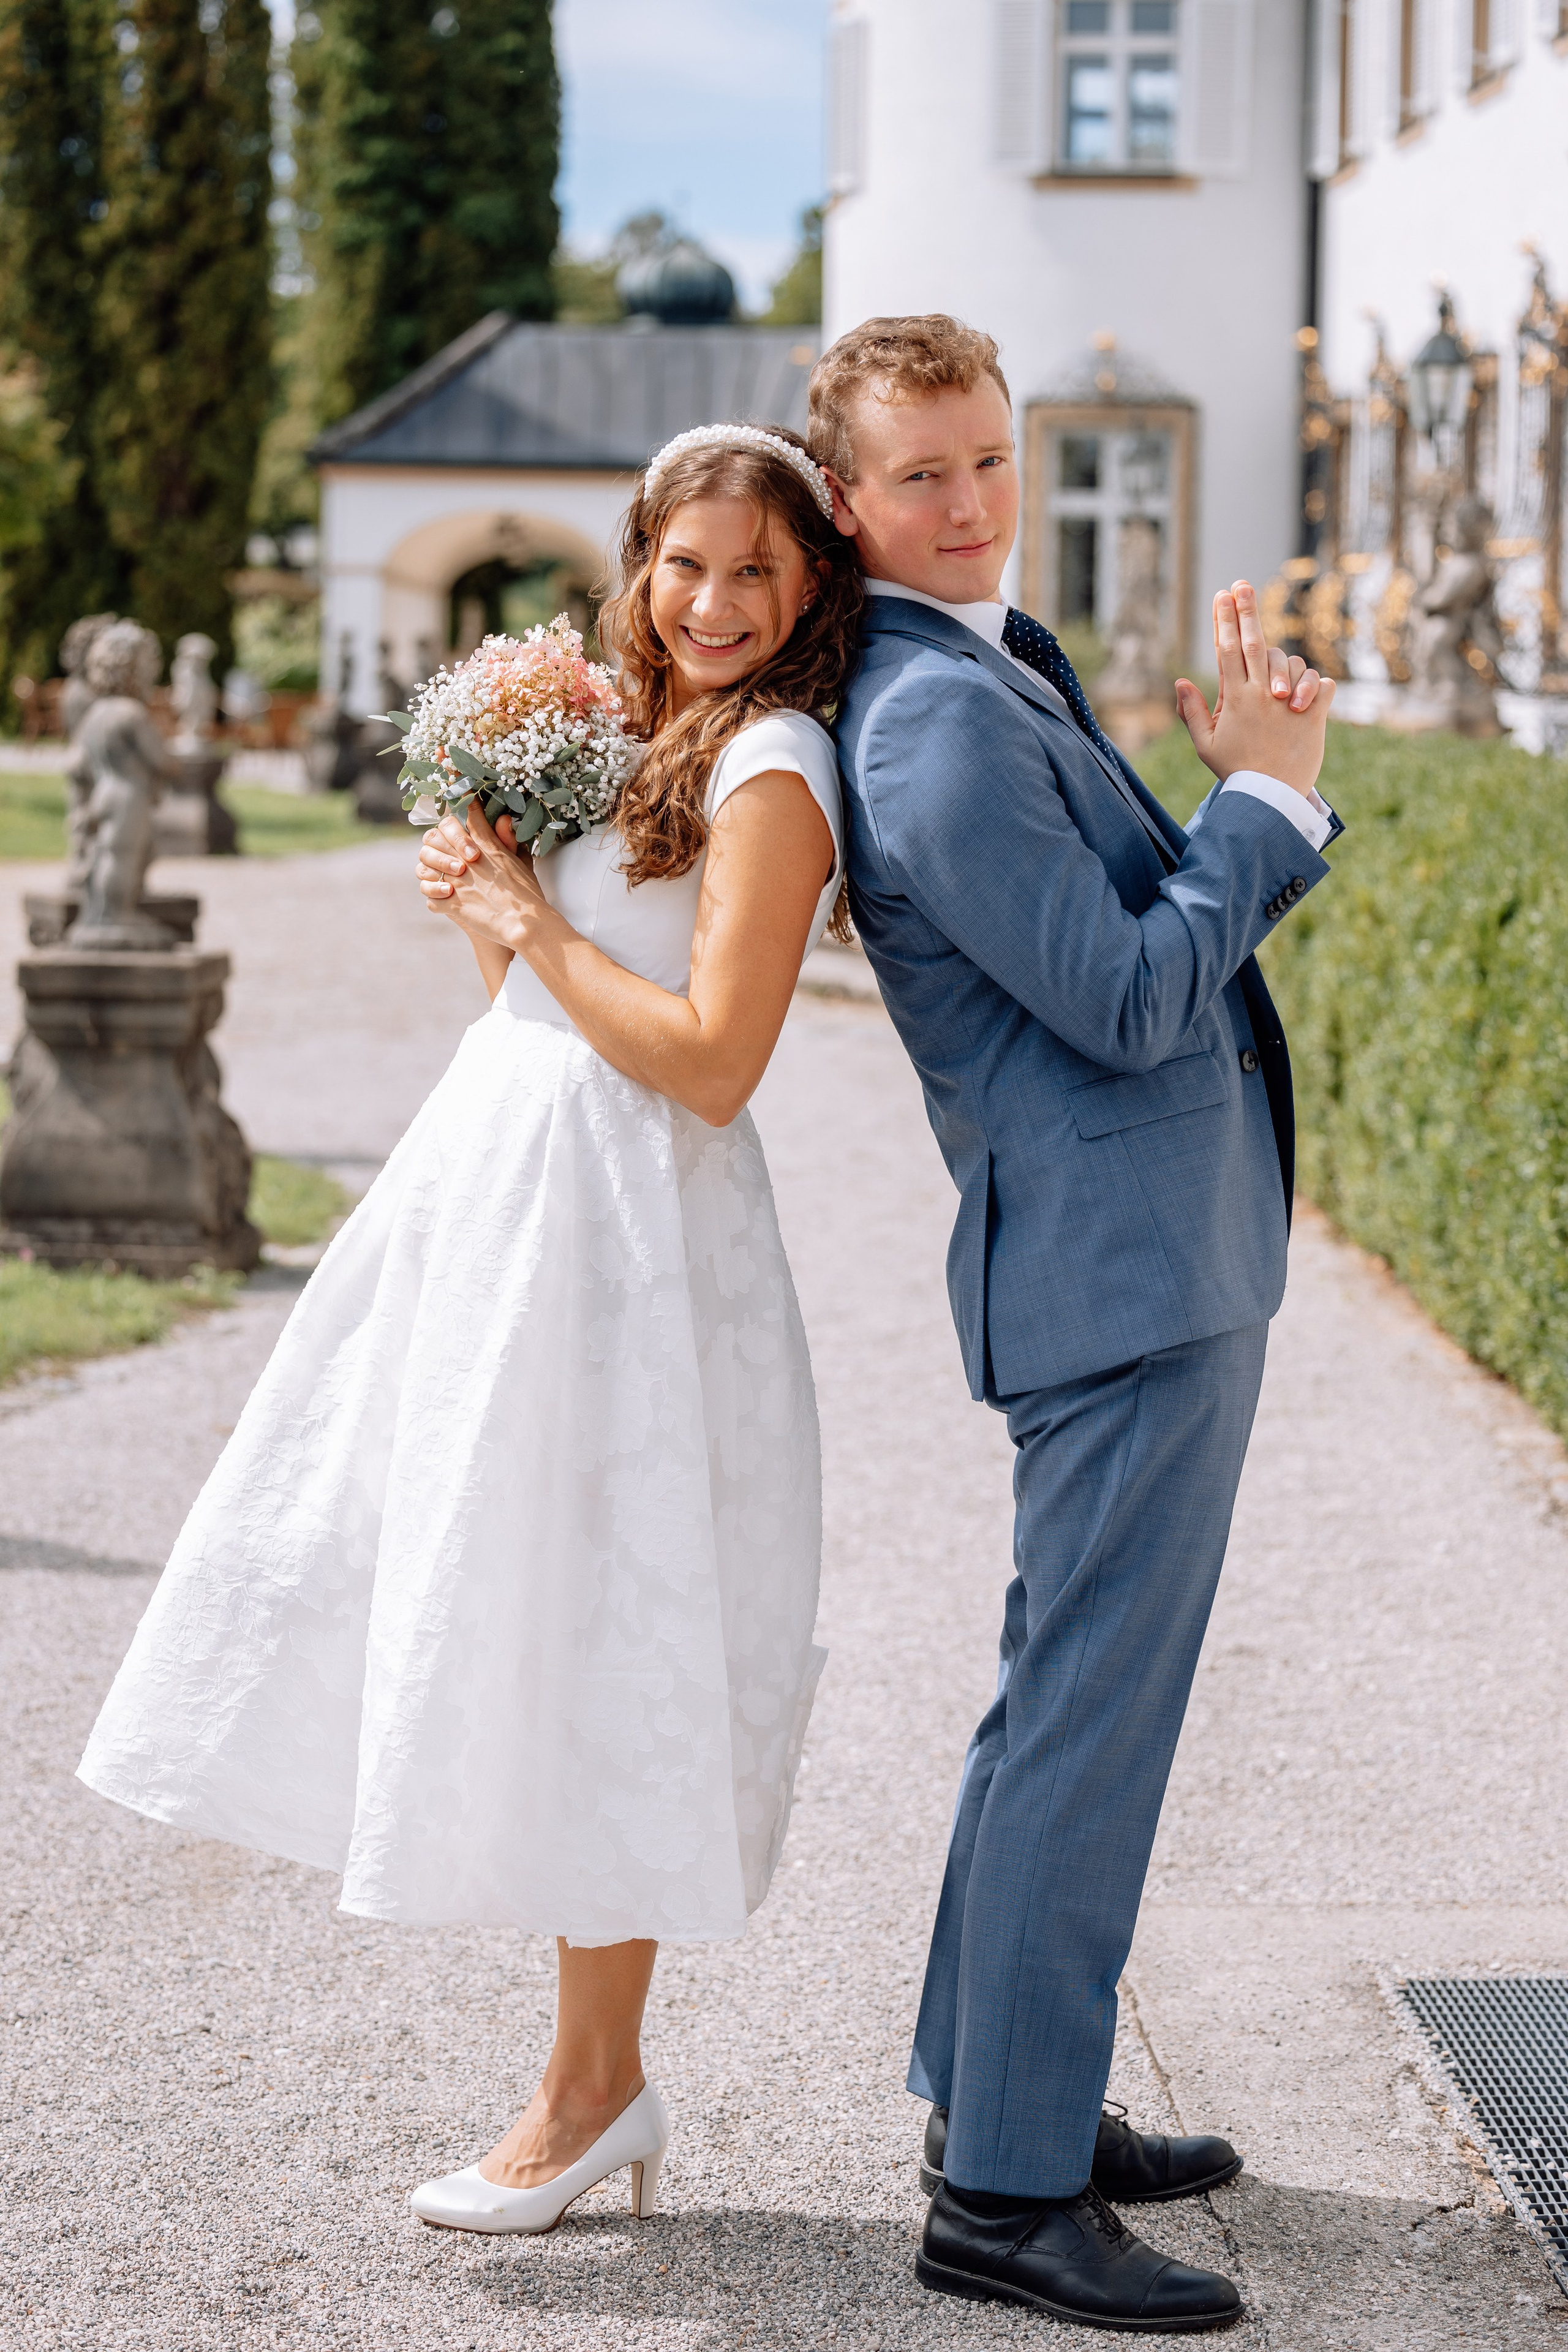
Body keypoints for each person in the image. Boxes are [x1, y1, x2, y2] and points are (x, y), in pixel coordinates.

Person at [77, 421, 860, 2238]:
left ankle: (593, 2088)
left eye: (758, 569)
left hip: (640, 1245)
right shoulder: (631, 733)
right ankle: (597, 2084)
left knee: (611, 1624)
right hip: (513, 1218)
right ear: (639, 563)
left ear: (809, 581)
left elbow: (717, 1067)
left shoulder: (775, 762)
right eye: (689, 564)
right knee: (488, 1602)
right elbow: (547, 999)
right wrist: (487, 902)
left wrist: (528, 918)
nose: (719, 601)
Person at [813, 315, 1340, 2334]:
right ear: (846, 501)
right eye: (919, 475)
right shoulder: (931, 719)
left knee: (1059, 1702)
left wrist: (1235, 796)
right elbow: (1127, 997)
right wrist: (1267, 814)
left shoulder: (972, 668)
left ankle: (1006, 2093)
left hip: (1137, 1257)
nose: (966, 504)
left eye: (990, 459)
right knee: (1084, 1727)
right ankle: (1005, 2204)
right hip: (1124, 1281)